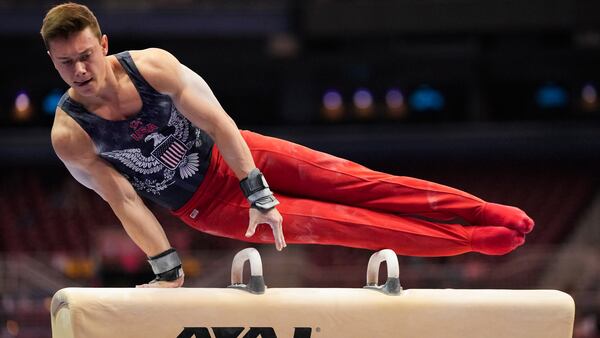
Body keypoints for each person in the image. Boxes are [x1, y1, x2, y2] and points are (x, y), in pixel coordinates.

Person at [41, 3, 534, 288]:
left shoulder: (152, 67)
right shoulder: (71, 134)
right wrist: (166, 267)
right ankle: (468, 241)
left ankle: (479, 210)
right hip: (208, 207)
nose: (80, 71)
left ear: (103, 43)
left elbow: (219, 121)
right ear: (52, 60)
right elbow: (123, 200)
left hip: (238, 158)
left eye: (86, 56)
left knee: (361, 184)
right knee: (351, 227)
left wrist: (258, 191)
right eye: (66, 64)